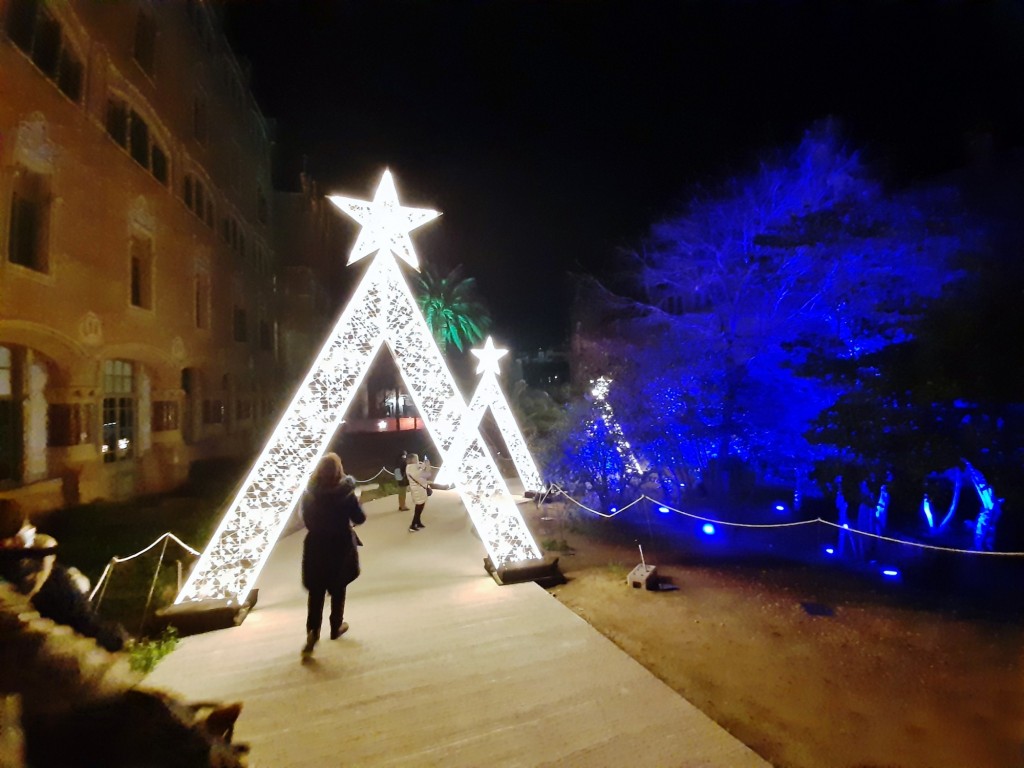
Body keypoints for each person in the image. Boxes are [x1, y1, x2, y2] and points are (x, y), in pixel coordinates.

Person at [299, 452, 366, 657]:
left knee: (316, 590)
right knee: (338, 586)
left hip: (316, 544)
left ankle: (313, 631)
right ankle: (336, 626)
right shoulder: (346, 493)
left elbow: (307, 519)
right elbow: (359, 518)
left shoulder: (310, 494)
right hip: (340, 544)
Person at [406, 453, 431, 532]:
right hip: (418, 490)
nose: (418, 460)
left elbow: (420, 470)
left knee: (421, 506)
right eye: (416, 458)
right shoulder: (411, 469)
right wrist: (426, 466)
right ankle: (413, 525)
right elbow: (425, 475)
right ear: (413, 460)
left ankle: (418, 522)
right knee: (418, 508)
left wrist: (423, 465)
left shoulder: (412, 467)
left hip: (420, 489)